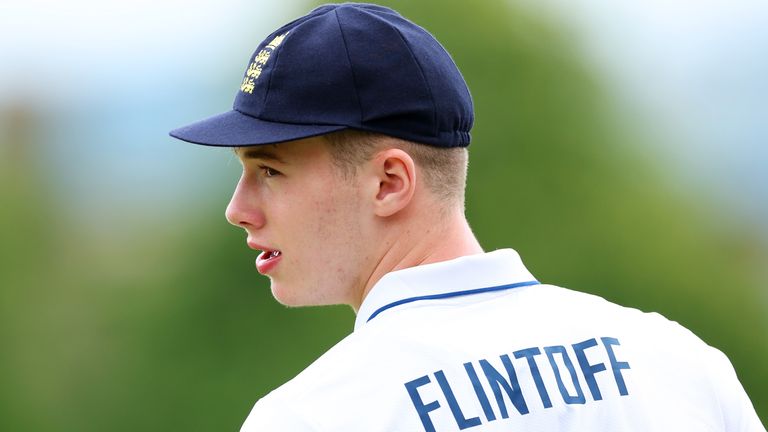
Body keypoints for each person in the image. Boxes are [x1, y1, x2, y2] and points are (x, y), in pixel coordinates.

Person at [169, 3, 765, 431]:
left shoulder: (314, 416)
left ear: (389, 182)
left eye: (270, 171)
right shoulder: (676, 361)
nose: (237, 210)